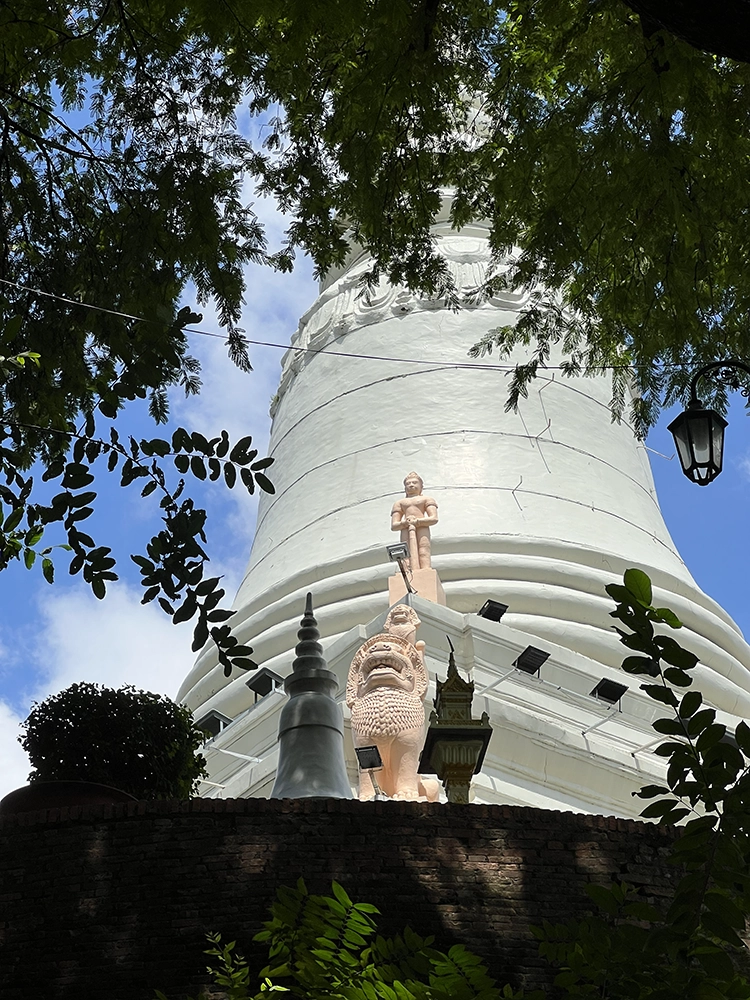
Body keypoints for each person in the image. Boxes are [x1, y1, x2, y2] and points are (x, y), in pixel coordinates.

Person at [390, 472, 438, 571]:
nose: (411, 485)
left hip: (422, 526)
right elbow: (394, 525)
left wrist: (417, 521)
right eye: (408, 483)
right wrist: (404, 523)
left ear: (421, 487)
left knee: (423, 549)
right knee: (406, 553)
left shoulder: (427, 499)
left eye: (415, 483)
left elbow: (434, 518)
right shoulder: (399, 503)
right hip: (406, 528)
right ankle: (407, 570)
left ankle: (425, 569)